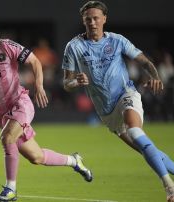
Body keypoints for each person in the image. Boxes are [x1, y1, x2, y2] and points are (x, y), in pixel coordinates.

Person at [0, 13, 93, 201]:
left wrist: (38, 86)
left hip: (20, 103)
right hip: (0, 114)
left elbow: (35, 61)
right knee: (36, 157)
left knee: (6, 137)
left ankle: (10, 189)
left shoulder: (7, 46)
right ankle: (74, 161)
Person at [62, 1, 174, 201]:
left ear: (104, 19)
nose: (93, 22)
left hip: (126, 95)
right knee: (146, 149)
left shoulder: (117, 41)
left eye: (96, 18)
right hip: (105, 111)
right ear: (83, 21)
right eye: (88, 19)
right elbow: (66, 83)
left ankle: (169, 186)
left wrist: (155, 76)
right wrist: (75, 81)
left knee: (135, 131)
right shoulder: (74, 46)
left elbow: (144, 62)